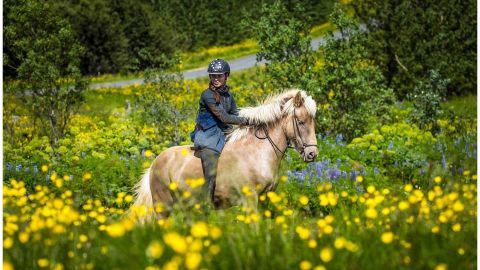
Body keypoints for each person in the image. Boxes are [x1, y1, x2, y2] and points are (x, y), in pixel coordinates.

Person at [190, 58, 249, 206]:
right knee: (211, 166)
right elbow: (224, 117)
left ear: (226, 76)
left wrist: (253, 118)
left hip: (224, 134)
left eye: (219, 76)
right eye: (213, 76)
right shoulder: (207, 95)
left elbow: (236, 113)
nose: (216, 79)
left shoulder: (228, 96)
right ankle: (205, 203)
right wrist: (248, 120)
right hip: (208, 136)